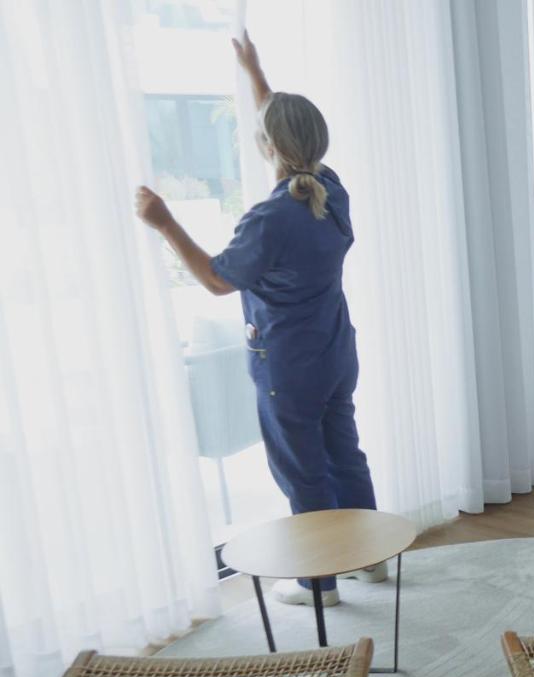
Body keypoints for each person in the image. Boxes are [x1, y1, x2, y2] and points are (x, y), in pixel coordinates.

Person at [135, 31, 384, 607]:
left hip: (289, 365)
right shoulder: (332, 190)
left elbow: (217, 280)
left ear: (267, 147)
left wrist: (165, 221)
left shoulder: (270, 218)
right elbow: (284, 128)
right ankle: (370, 560)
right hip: (335, 352)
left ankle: (320, 584)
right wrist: (254, 71)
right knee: (344, 453)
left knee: (303, 471)